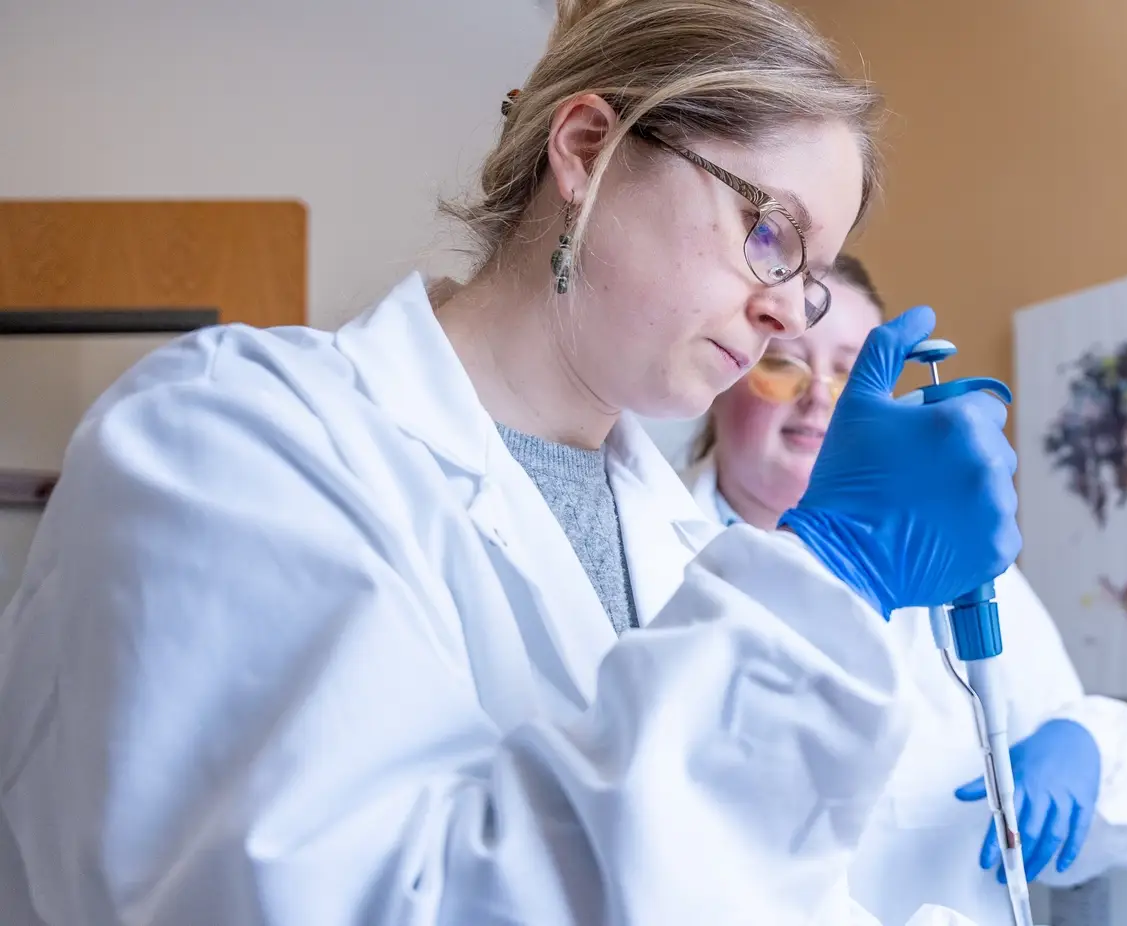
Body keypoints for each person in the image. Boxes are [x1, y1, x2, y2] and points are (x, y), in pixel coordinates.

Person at [0, 2, 1018, 924]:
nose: (785, 307)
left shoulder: (679, 539)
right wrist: (830, 574)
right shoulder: (229, 439)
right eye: (768, 232)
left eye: (806, 277)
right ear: (589, 148)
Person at [681, 255, 1127, 926]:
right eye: (783, 363)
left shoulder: (952, 558)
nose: (820, 395)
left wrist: (1083, 743)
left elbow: (1116, 789)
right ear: (726, 376)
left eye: (853, 373)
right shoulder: (659, 558)